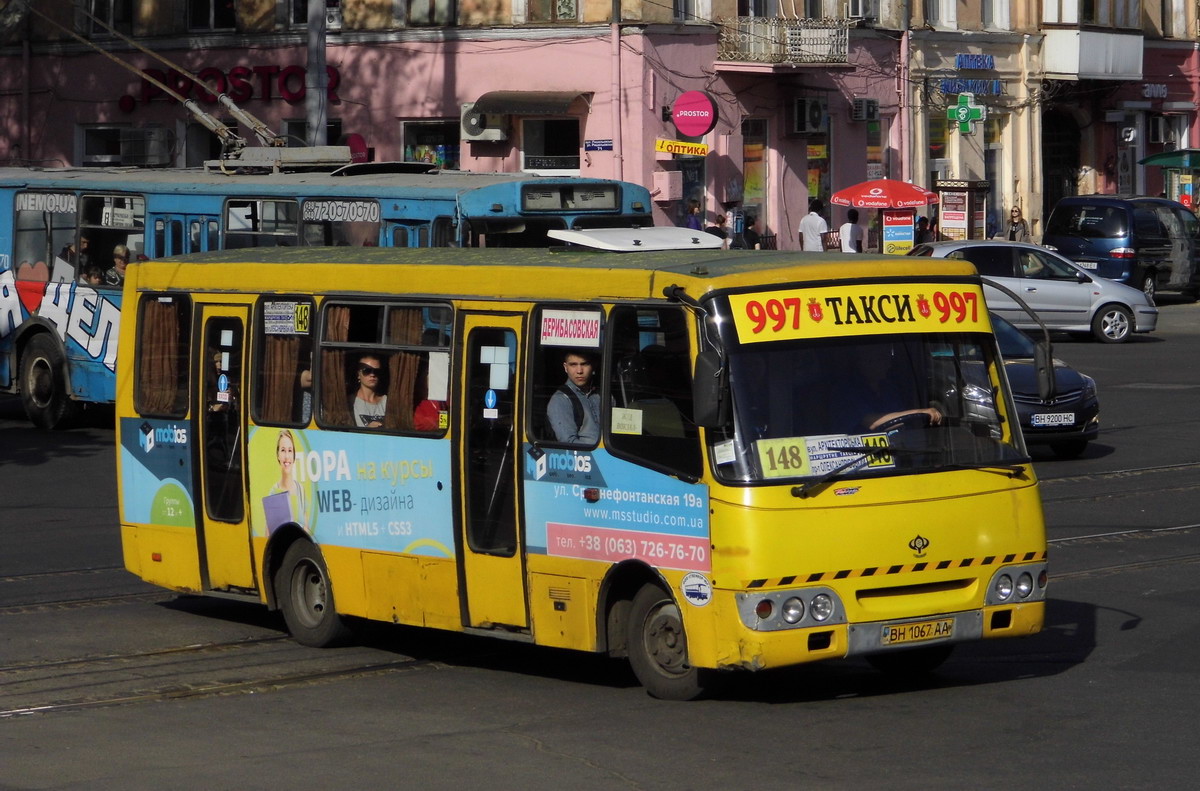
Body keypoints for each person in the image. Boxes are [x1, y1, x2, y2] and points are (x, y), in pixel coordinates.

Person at [547, 350, 602, 444]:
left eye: (584, 364)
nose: (579, 371)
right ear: (565, 367)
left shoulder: (601, 395)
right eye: (573, 365)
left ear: (593, 366)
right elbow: (569, 442)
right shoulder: (561, 399)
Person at [267, 429, 307, 527]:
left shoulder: (300, 490)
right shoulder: (273, 493)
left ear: (294, 455)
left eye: (290, 450)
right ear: (278, 455)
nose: (287, 456)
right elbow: (268, 533)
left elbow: (306, 528)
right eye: (283, 450)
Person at [352, 353, 388, 428]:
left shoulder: (387, 402)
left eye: (376, 371)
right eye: (367, 371)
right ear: (358, 374)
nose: (372, 375)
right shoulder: (350, 402)